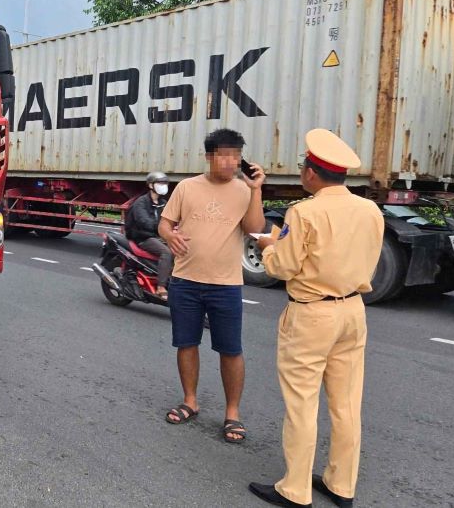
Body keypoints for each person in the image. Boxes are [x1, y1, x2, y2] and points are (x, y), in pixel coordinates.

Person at [248, 129, 384, 508]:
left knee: (302, 403)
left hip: (312, 313)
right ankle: (342, 486)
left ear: (310, 173)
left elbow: (283, 268)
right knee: (346, 404)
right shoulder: (370, 209)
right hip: (353, 310)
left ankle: (294, 489)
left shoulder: (304, 211)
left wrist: (268, 246)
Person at [157, 128, 266, 443]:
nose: (231, 161)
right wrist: (169, 235)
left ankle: (233, 413)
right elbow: (165, 223)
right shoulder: (187, 187)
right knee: (186, 343)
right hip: (186, 282)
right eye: (224, 155)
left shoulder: (244, 191)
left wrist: (256, 189)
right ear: (209, 156)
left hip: (226, 285)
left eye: (236, 155)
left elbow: (256, 229)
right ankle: (190, 400)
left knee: (231, 350)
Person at [125, 171, 173, 299]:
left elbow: (172, 218)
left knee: (182, 249)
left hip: (159, 236)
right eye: (160, 183)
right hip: (144, 237)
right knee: (166, 253)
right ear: (151, 185)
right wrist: (163, 228)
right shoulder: (141, 202)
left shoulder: (163, 202)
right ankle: (161, 286)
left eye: (165, 183)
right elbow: (144, 221)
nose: (163, 186)